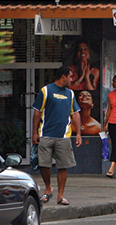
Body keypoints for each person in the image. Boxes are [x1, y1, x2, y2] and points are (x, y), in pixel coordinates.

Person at [32, 66, 82, 207]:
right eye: (70, 76)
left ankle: (60, 196)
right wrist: (35, 132)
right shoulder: (46, 90)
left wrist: (78, 133)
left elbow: (75, 113)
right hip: (46, 134)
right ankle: (48, 188)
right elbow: (37, 112)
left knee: (63, 165)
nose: (72, 79)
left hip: (63, 136)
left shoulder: (70, 94)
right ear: (63, 76)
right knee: (44, 164)